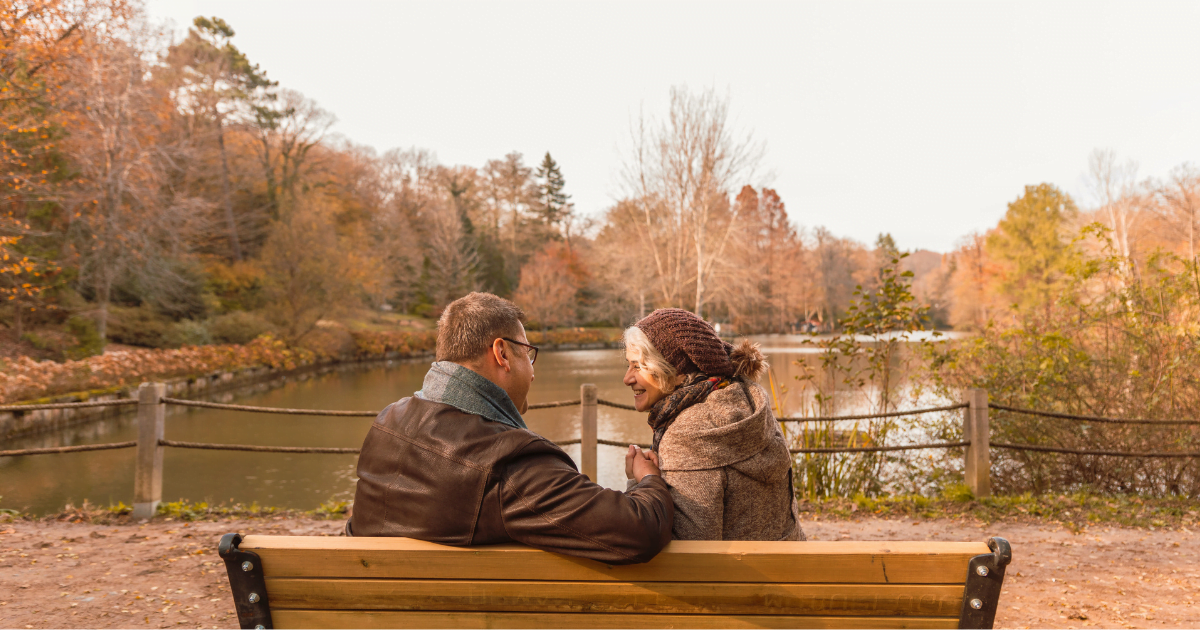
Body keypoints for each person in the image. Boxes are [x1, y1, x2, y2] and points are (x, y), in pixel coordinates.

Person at [348, 292, 673, 565]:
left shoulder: (387, 422)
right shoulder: (507, 461)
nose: (532, 374)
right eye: (528, 355)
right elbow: (640, 529)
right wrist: (647, 478)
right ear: (502, 353)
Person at [622, 308, 804, 541]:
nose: (627, 378)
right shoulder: (748, 400)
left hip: (739, 576)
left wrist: (642, 482)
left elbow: (688, 550)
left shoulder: (687, 432)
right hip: (788, 564)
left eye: (637, 366)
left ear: (678, 372)